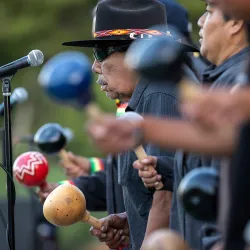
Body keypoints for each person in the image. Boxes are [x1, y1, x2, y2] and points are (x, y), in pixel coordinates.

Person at [87, 1, 250, 249]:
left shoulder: (160, 93)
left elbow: (164, 200)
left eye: (210, 10)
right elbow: (224, 145)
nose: (200, 21)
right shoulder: (223, 78)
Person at [62, 0, 199, 249]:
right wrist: (131, 222)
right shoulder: (148, 94)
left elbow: (165, 196)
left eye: (101, 53)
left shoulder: (161, 92)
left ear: (137, 53)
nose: (95, 67)